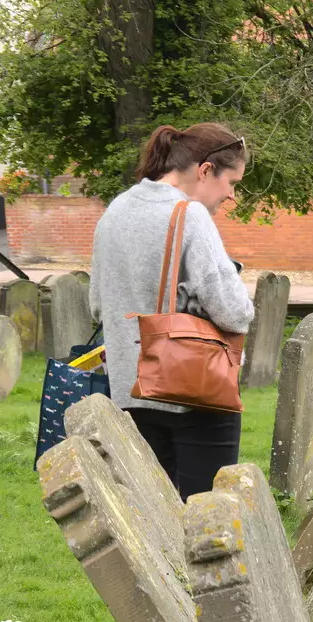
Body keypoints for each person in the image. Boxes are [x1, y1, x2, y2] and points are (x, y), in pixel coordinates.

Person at [89, 122, 256, 501]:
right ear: (205, 170)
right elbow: (234, 313)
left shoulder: (114, 212)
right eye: (232, 182)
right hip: (195, 392)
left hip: (130, 394)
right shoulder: (190, 215)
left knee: (154, 522)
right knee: (208, 520)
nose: (231, 196)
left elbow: (97, 303)